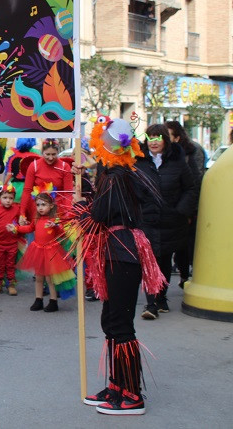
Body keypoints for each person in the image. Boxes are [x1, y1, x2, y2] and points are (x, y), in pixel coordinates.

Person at [77, 116, 167, 415]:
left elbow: (99, 215)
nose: (96, 139)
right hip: (119, 251)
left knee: (119, 322)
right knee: (111, 320)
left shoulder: (118, 177)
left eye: (100, 136)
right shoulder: (118, 173)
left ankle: (132, 395)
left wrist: (80, 210)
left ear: (110, 144)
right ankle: (116, 385)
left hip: (122, 253)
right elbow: (105, 206)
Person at [137, 124, 198, 318]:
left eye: (158, 137)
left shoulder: (178, 163)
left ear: (166, 140)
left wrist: (181, 210)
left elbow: (191, 188)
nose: (153, 141)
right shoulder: (139, 162)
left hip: (171, 221)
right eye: (150, 137)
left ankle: (161, 298)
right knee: (149, 261)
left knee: (163, 260)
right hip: (147, 221)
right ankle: (151, 304)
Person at [15, 185, 76, 312]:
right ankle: (38, 300)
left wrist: (56, 226)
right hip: (38, 250)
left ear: (51, 206)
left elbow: (62, 234)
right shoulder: (36, 219)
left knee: (50, 278)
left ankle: (53, 301)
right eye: (38, 205)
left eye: (43, 204)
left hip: (51, 251)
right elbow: (29, 228)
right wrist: (16, 228)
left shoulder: (54, 219)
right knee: (38, 277)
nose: (40, 208)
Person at [164, 120, 203, 286]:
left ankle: (185, 275)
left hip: (183, 209)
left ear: (177, 138)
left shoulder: (191, 153)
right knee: (168, 250)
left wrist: (186, 210)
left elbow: (194, 184)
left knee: (185, 245)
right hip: (165, 211)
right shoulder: (157, 156)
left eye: (167, 136)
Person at [19, 138, 72, 225]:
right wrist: (22, 213)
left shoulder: (64, 167)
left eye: (54, 154)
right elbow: (27, 190)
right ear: (42, 152)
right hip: (38, 209)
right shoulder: (34, 166)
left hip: (58, 209)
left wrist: (68, 213)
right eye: (47, 154)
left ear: (58, 152)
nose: (50, 158)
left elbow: (68, 193)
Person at [0, 184, 23, 295]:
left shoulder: (16, 209)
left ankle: (10, 284)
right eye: (5, 198)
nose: (8, 201)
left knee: (11, 264)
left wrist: (20, 226)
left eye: (11, 198)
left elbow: (20, 225)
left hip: (12, 243)